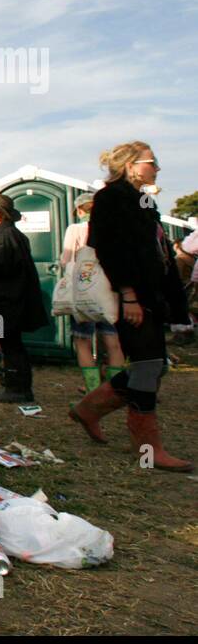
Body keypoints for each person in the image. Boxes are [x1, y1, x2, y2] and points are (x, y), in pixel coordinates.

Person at [70, 142, 191, 471]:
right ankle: (148, 449)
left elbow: (153, 248)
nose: (157, 168)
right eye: (152, 162)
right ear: (130, 165)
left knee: (152, 366)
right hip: (129, 296)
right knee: (149, 366)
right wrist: (128, 295)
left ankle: (89, 409)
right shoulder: (111, 198)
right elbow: (111, 249)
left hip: (149, 295)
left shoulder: (143, 199)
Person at [0, 194, 48, 403]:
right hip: (14, 300)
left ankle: (16, 388)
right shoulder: (17, 235)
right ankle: (18, 386)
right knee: (11, 342)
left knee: (7, 343)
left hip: (2, 302)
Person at [60, 192, 126, 392]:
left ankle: (92, 389)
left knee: (83, 341)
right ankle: (114, 390)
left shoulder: (75, 229)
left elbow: (67, 260)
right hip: (109, 292)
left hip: (83, 293)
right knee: (112, 341)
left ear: (80, 210)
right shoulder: (113, 228)